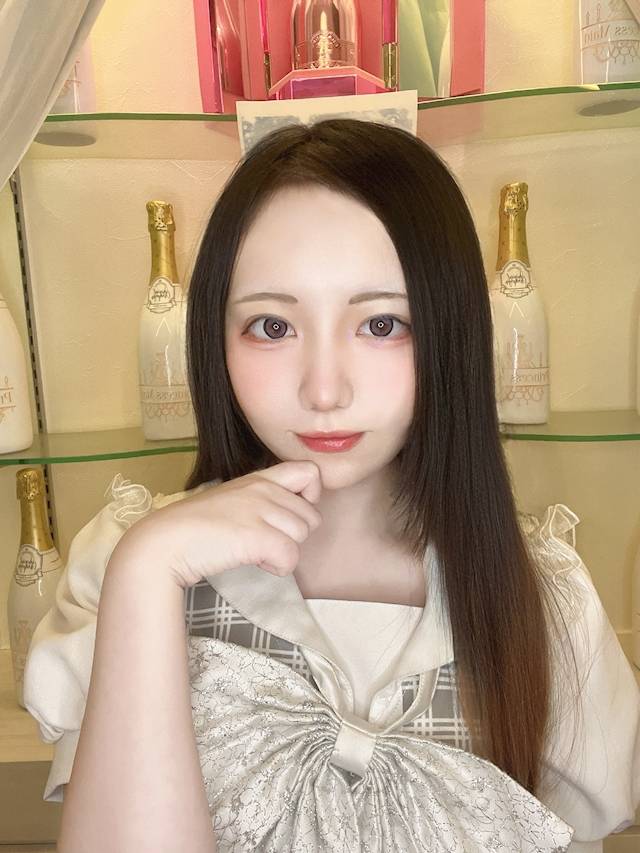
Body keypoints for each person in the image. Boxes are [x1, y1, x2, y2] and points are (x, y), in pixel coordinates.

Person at [23, 118, 639, 852]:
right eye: (271, 327)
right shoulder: (129, 562)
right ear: (214, 338)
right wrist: (147, 570)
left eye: (381, 324)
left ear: (450, 330)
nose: (324, 390)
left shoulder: (544, 599)